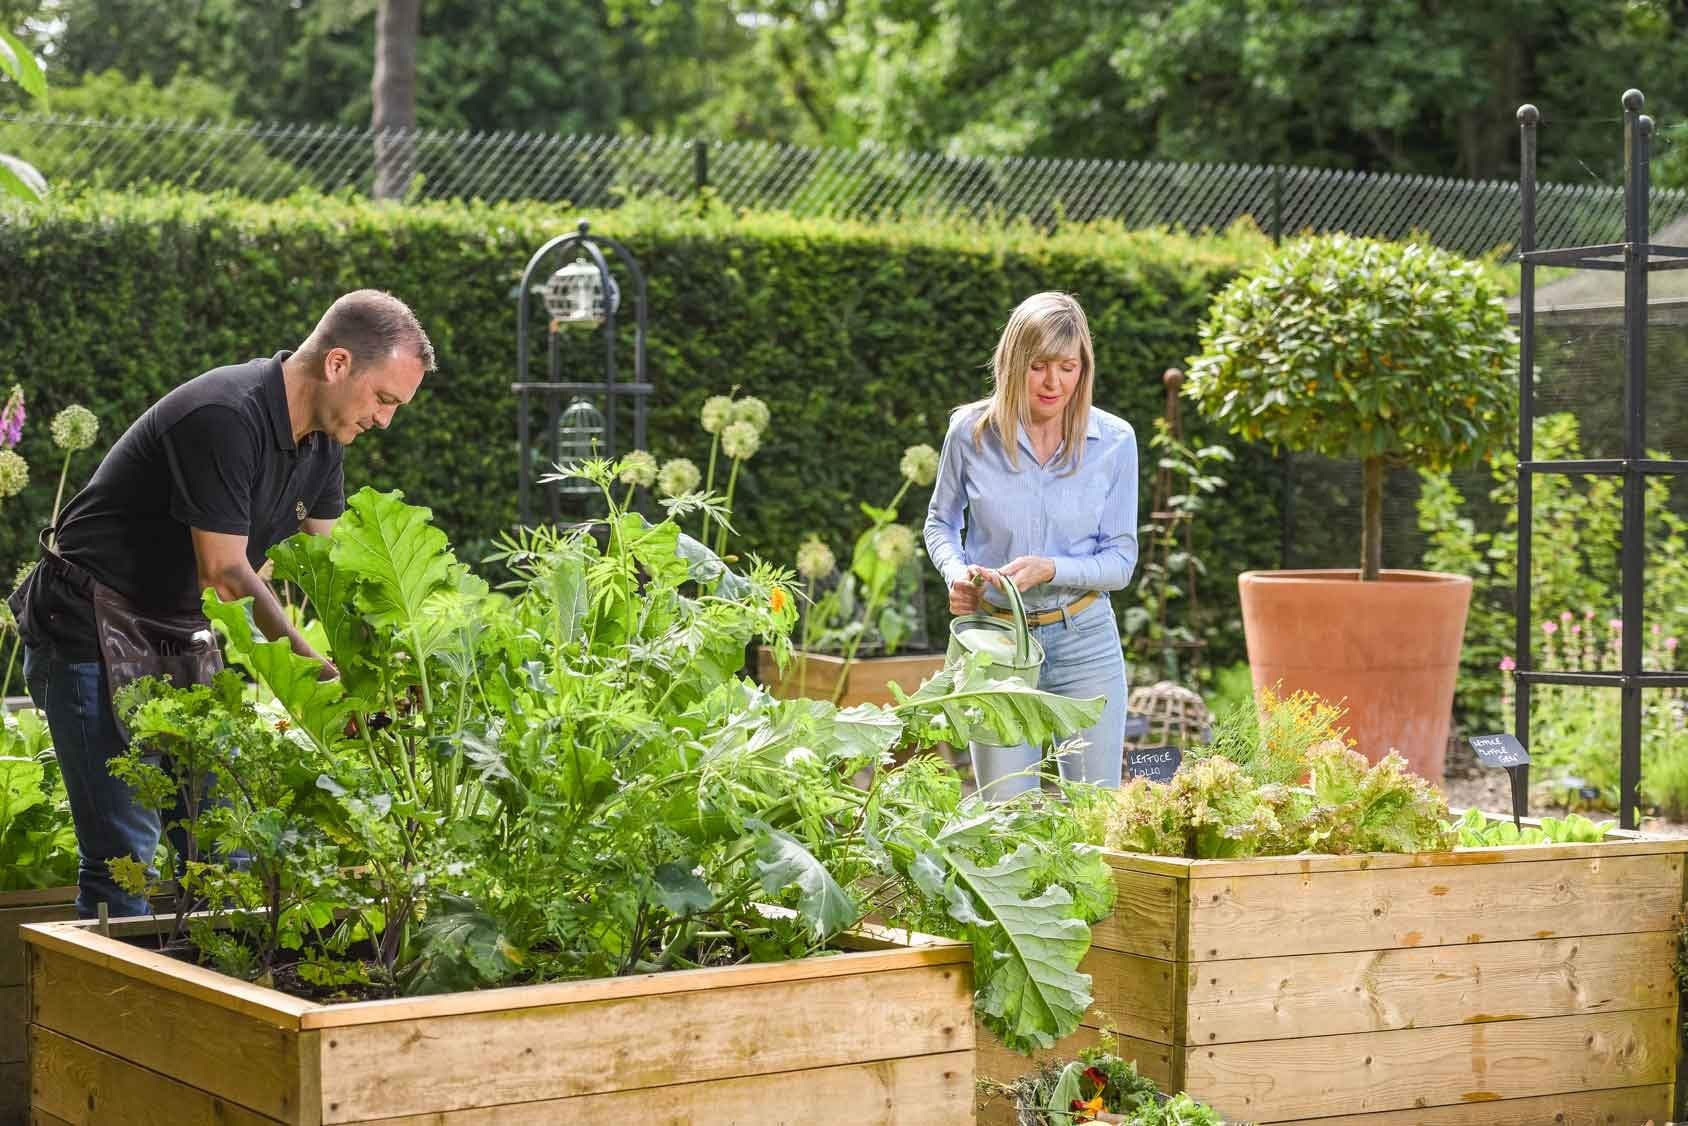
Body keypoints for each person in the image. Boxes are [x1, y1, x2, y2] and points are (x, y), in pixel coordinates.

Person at [8, 289, 434, 917]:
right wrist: (315, 669)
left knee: (227, 850)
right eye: (384, 398)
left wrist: (377, 670)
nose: (384, 420)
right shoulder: (225, 415)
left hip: (180, 635)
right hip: (87, 629)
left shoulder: (323, 445)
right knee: (126, 856)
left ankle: (203, 1007)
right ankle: (112, 1017)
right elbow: (226, 572)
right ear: (338, 363)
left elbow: (332, 575)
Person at [924, 291, 1137, 799]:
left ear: (1083, 369)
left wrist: (1051, 568)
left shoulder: (1115, 441)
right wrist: (957, 572)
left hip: (1086, 640)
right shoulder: (969, 433)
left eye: (1067, 367)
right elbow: (940, 522)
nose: (1053, 383)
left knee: (1095, 815)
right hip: (998, 646)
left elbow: (1121, 560)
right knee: (1005, 815)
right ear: (1013, 362)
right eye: (1039, 366)